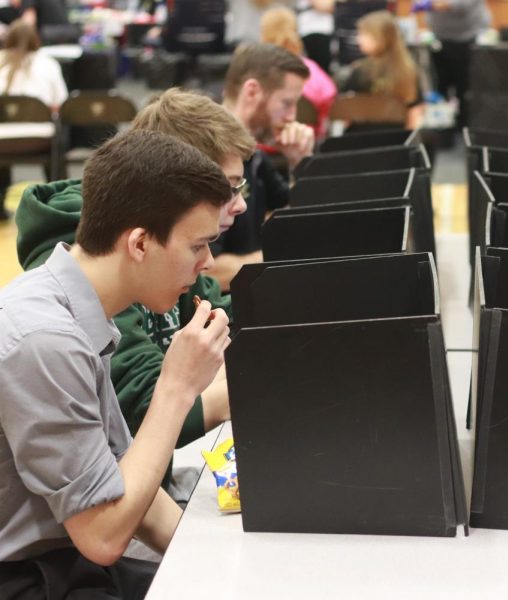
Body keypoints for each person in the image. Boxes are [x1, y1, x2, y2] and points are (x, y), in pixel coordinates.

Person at [0, 129, 231, 598]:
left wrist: (227, 567)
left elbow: (131, 488)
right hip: (32, 577)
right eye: (196, 246)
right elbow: (104, 535)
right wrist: (177, 386)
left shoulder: (77, 306)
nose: (207, 263)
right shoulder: (46, 339)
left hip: (68, 562)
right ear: (140, 244)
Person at [15, 88, 256, 500]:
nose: (239, 205)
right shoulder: (63, 320)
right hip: (65, 550)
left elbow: (219, 327)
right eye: (229, 188)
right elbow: (103, 526)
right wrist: (191, 386)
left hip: (138, 498)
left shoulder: (139, 270)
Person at [215, 42, 315, 291]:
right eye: (286, 103)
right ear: (252, 91)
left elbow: (290, 221)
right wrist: (285, 258)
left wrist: (300, 163)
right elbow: (206, 271)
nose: (292, 116)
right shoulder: (212, 155)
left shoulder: (252, 152)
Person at [0, 18, 67, 220]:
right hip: (41, 139)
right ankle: (56, 201)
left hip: (2, 141)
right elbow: (61, 103)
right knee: (59, 134)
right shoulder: (48, 63)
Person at [260, 5, 337, 138]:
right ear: (295, 30)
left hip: (263, 148)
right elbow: (330, 100)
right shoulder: (311, 70)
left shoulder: (253, 70)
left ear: (263, 33)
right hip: (307, 145)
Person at [341, 9, 424, 129]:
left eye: (362, 34)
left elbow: (348, 113)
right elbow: (414, 112)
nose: (358, 39)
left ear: (379, 37)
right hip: (398, 139)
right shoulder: (409, 70)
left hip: (363, 139)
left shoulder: (361, 71)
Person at [415, 0, 491, 129]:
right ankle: (443, 127)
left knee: (464, 86)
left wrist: (430, 4)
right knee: (440, 85)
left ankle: (464, 127)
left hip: (467, 38)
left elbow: (459, 4)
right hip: (439, 38)